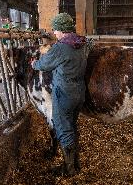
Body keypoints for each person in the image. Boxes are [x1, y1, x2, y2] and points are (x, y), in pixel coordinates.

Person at [31, 13, 87, 176]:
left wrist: (35, 63)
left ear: (62, 30)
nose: (54, 33)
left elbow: (44, 64)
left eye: (55, 30)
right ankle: (75, 163)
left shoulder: (61, 47)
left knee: (63, 128)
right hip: (79, 92)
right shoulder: (82, 42)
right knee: (72, 126)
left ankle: (69, 169)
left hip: (64, 93)